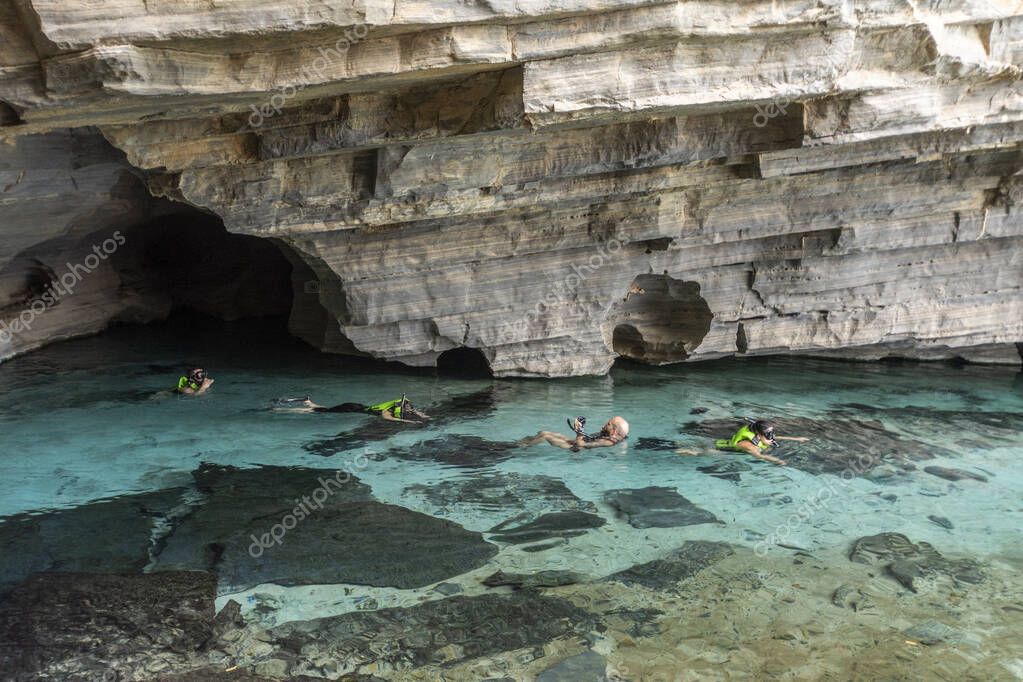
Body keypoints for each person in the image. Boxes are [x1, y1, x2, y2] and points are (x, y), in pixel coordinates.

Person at [678, 418, 807, 466]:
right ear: (758, 434)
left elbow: (774, 438)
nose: (770, 437)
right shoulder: (748, 445)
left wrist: (796, 439)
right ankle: (690, 451)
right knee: (699, 453)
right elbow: (760, 456)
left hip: (719, 442)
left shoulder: (757, 434)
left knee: (690, 444)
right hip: (716, 449)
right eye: (767, 435)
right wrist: (778, 461)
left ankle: (681, 444)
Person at [272, 394, 429, 423]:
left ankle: (308, 401)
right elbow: (386, 417)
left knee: (327, 410)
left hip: (353, 405)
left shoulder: (398, 406)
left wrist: (424, 417)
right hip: (350, 408)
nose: (409, 410)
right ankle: (282, 410)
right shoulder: (386, 411)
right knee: (319, 413)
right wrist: (408, 423)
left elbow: (414, 411)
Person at [519, 415, 630, 451]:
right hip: (577, 442)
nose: (605, 425)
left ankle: (521, 447)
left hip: (576, 449)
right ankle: (521, 442)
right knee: (544, 432)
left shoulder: (609, 442)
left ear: (615, 431)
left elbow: (581, 445)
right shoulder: (611, 434)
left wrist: (579, 431)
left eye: (608, 424)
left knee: (547, 437)